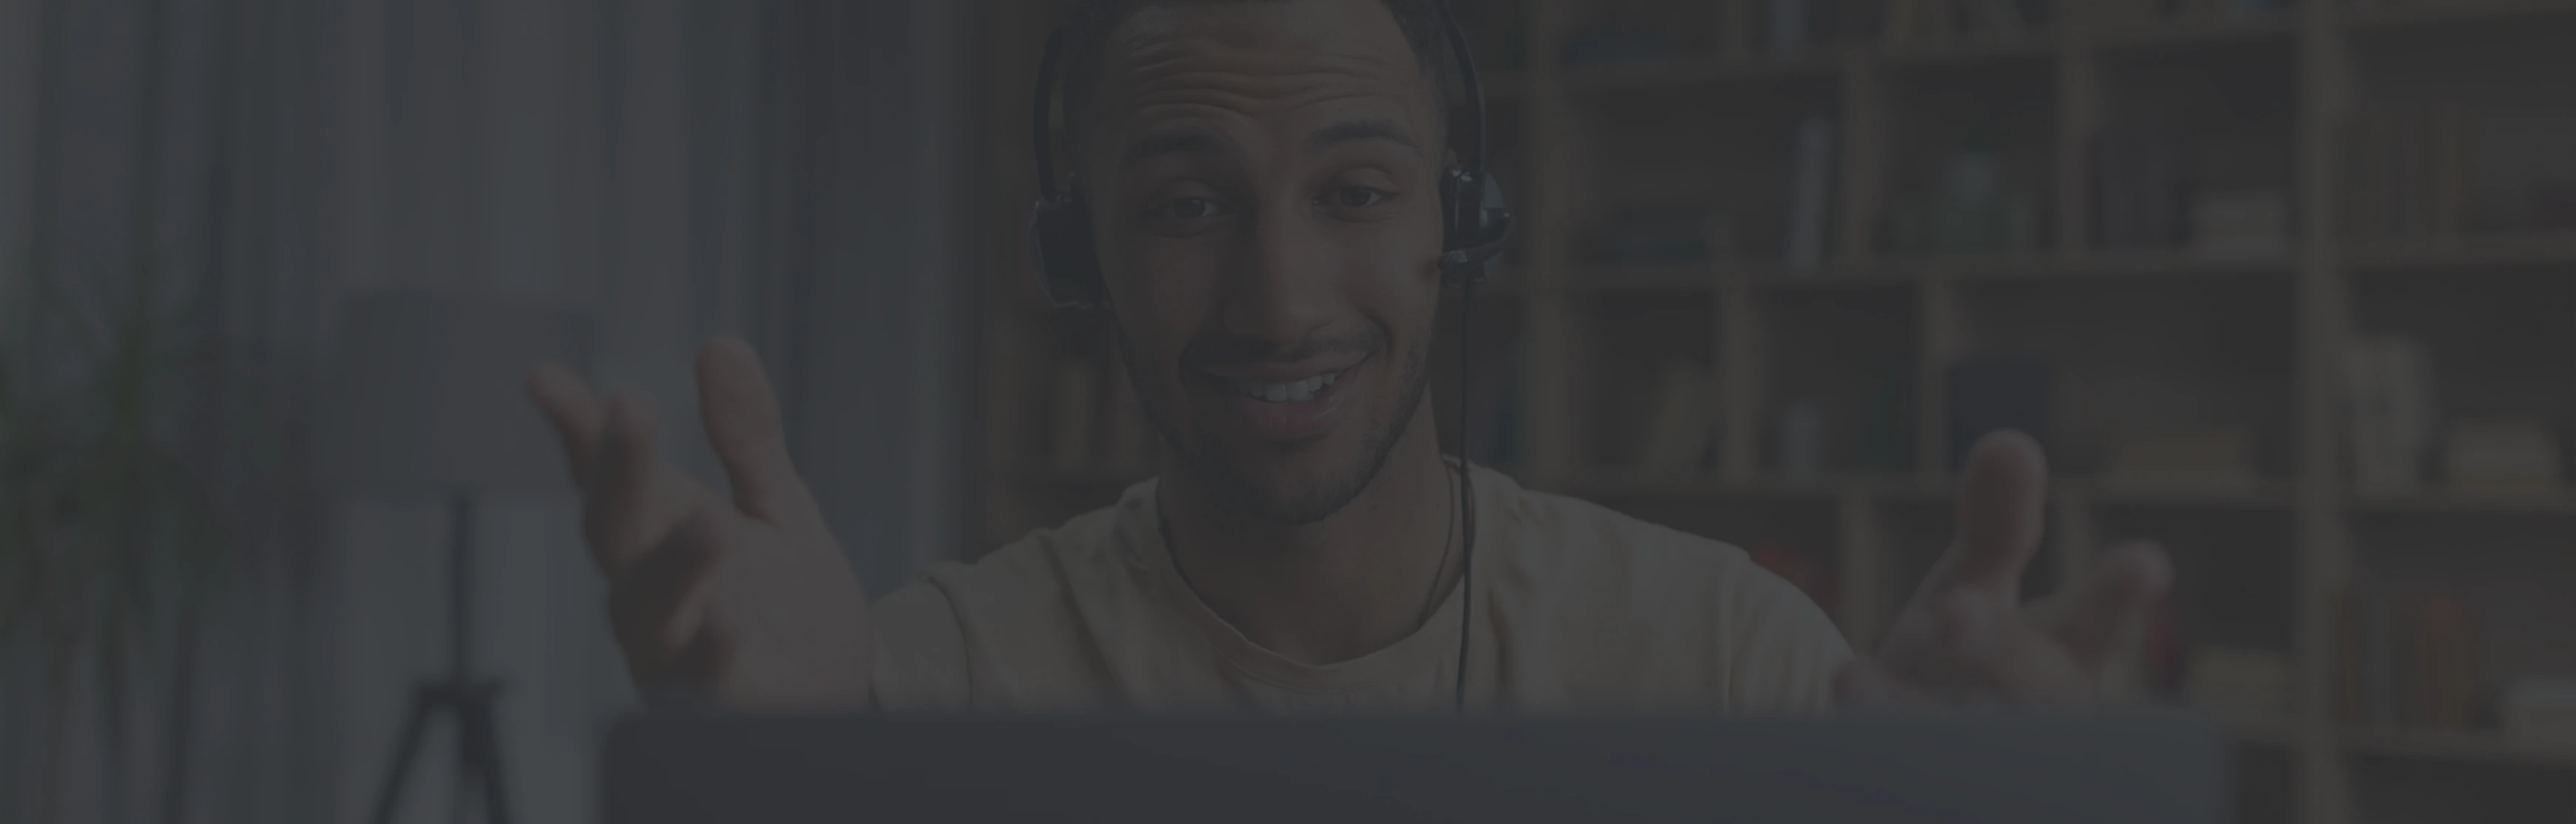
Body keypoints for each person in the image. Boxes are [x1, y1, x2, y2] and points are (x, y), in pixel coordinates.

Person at [523, 0, 2171, 715]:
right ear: (1079, 257)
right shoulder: (924, 679)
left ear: (1459, 220)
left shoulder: (1727, 657)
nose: (1279, 296)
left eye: (1357, 190)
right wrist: (763, 790)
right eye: (1186, 203)